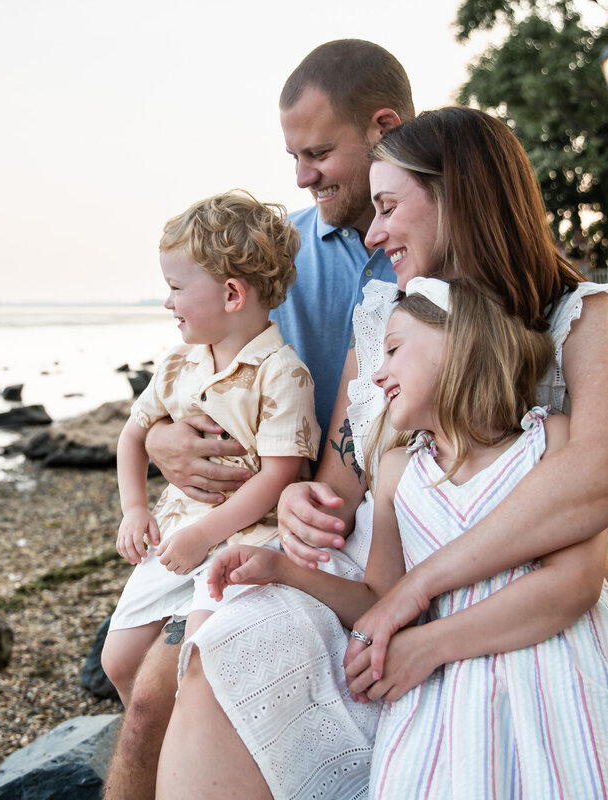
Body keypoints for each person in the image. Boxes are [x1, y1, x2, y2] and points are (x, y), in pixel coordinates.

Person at [156, 105, 608, 799]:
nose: (375, 230)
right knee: (219, 653)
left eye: (389, 206)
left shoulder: (573, 310)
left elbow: (606, 472)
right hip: (385, 545)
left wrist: (418, 591)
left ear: (455, 197)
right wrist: (299, 498)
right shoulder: (384, 312)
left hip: (506, 546)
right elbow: (345, 477)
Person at [206, 276, 608, 797]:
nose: (379, 372)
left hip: (560, 677)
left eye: (392, 349)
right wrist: (281, 569)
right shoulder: (396, 473)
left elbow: (574, 585)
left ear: (461, 343)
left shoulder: (550, 442)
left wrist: (428, 646)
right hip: (447, 709)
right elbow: (380, 599)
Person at [100, 39, 411, 800]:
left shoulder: (435, 253)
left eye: (316, 153)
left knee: (162, 690)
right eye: (292, 157)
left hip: (330, 515)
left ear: (382, 127)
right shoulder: (284, 251)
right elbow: (210, 363)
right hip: (272, 506)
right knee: (141, 688)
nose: (301, 176)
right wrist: (167, 441)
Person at [101, 189, 320, 708]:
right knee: (117, 658)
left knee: (202, 654)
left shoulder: (283, 373)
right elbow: (133, 434)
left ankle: (192, 753)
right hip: (176, 530)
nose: (167, 301)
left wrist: (205, 536)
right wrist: (134, 510)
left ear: (231, 295)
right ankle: (155, 748)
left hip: (252, 540)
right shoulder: (179, 364)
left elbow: (278, 476)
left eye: (176, 287)